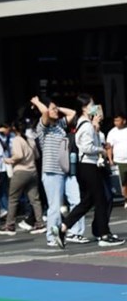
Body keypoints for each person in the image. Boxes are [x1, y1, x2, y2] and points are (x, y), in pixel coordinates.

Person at [52, 95, 124, 247]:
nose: (95, 106)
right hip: (88, 166)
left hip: (84, 167)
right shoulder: (85, 125)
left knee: (88, 201)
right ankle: (104, 234)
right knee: (101, 199)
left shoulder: (87, 124)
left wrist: (96, 128)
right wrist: (102, 151)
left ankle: (63, 227)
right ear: (84, 108)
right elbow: (86, 148)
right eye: (92, 104)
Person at [31, 95, 87, 247]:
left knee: (77, 200)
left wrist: (57, 108)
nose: (56, 111)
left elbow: (73, 113)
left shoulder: (60, 125)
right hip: (51, 171)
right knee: (55, 206)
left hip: (66, 169)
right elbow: (44, 113)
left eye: (56, 108)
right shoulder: (43, 128)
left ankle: (76, 232)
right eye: (53, 109)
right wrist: (38, 103)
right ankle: (51, 237)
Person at [0, 122, 45, 236]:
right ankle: (40, 223)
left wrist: (9, 160)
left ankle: (10, 225)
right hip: (32, 171)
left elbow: (18, 155)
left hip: (21, 171)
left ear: (14, 128)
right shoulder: (30, 140)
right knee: (35, 199)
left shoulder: (17, 140)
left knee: (13, 198)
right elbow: (37, 155)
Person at [106, 111, 127, 209]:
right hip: (119, 161)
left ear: (124, 121)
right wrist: (110, 160)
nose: (116, 122)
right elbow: (109, 147)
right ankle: (125, 199)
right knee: (122, 182)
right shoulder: (112, 132)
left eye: (118, 120)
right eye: (115, 120)